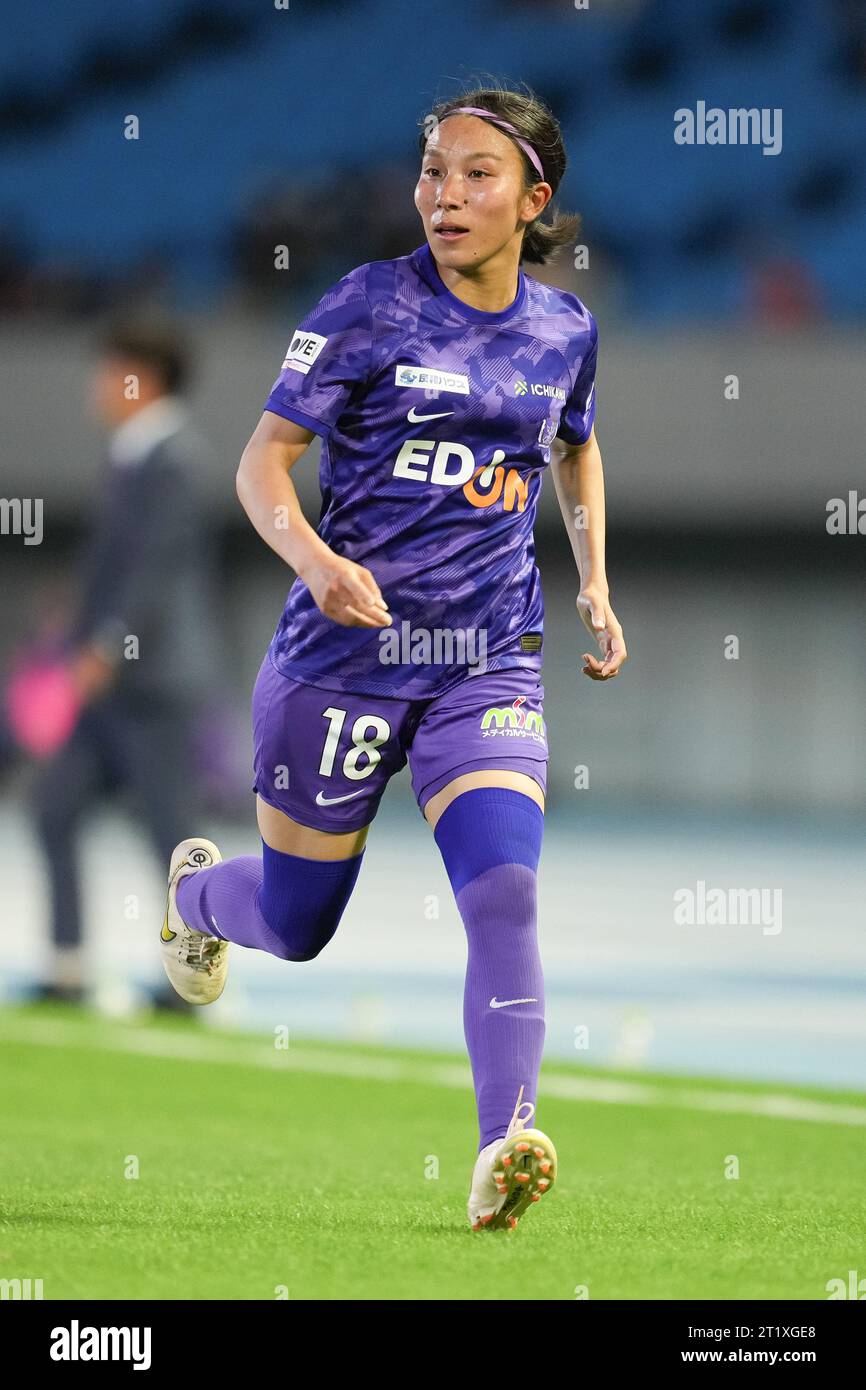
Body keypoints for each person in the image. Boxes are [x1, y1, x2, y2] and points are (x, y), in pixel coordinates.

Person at [159, 84, 628, 1230]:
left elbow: (575, 445)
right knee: (301, 922)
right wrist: (317, 560)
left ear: (534, 200)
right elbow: (260, 466)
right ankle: (196, 899)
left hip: (487, 658)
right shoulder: (366, 307)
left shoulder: (564, 330)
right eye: (431, 171)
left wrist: (594, 582)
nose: (444, 194)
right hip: (343, 659)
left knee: (506, 892)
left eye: (475, 174)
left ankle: (501, 1144)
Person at [30, 319, 221, 1009]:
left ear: (141, 376)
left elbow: (156, 575)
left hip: (151, 683)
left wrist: (107, 644)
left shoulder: (173, 458)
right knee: (53, 809)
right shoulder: (134, 455)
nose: (97, 386)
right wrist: (77, 624)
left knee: (173, 833)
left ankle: (192, 981)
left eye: (108, 371)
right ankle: (68, 967)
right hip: (111, 681)